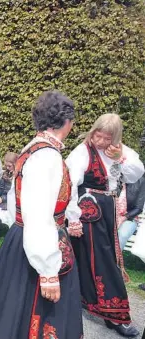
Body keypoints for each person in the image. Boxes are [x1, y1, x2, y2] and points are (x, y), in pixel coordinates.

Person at [0, 91, 83, 338]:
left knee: (7, 309)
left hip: (23, 240)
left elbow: (15, 202)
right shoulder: (46, 156)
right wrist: (48, 270)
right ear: (66, 121)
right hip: (37, 245)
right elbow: (38, 213)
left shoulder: (34, 148)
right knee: (24, 313)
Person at [66, 113, 143, 337]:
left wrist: (120, 158)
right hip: (88, 208)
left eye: (106, 138)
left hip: (108, 208)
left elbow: (135, 174)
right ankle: (117, 314)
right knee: (104, 260)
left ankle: (99, 307)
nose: (100, 142)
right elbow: (70, 183)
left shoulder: (121, 151)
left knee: (98, 257)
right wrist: (73, 217)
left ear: (115, 137)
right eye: (97, 136)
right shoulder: (82, 151)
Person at [0, 152, 18, 236]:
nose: (7, 168)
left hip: (12, 201)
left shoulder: (19, 176)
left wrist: (2, 199)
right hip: (3, 199)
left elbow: (14, 193)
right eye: (6, 165)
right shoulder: (6, 173)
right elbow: (0, 187)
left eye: (9, 166)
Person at [118, 172, 145, 250]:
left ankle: (112, 261)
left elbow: (138, 208)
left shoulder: (140, 181)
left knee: (121, 235)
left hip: (129, 218)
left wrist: (123, 218)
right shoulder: (114, 179)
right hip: (110, 215)